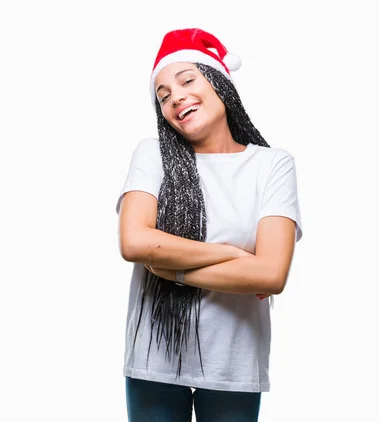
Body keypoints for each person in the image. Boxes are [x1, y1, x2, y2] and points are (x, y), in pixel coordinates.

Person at [115, 27, 303, 422]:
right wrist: (232, 256)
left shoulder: (272, 165)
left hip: (233, 365)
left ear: (219, 82)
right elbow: (134, 242)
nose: (176, 97)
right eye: (163, 96)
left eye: (187, 80)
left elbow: (270, 273)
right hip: (154, 361)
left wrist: (173, 268)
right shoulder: (152, 155)